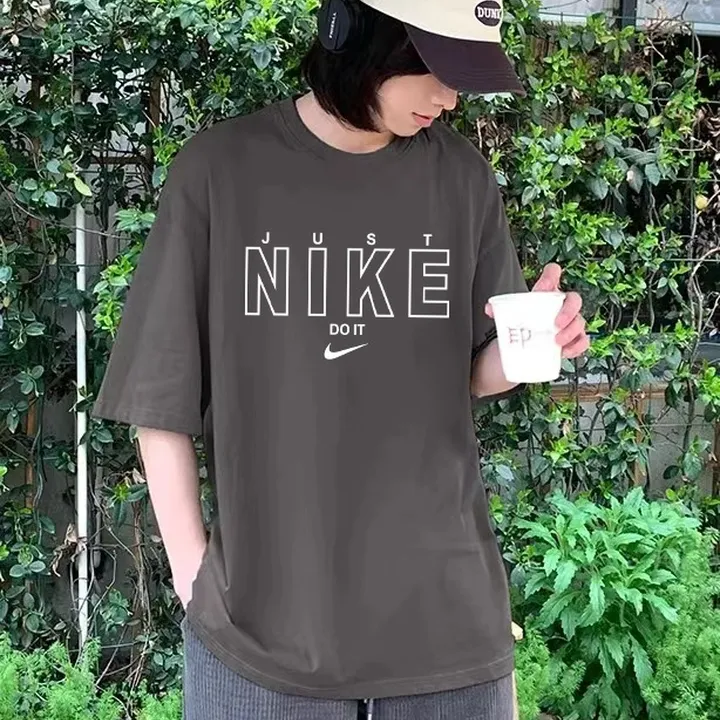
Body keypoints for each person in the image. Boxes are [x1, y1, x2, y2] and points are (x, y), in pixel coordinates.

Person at [93, 1, 590, 718]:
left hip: (446, 633)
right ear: (355, 33)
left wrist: (533, 346)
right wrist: (194, 580)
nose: (450, 98)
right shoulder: (221, 172)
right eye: (435, 69)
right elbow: (160, 397)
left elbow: (472, 372)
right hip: (260, 645)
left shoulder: (462, 178)